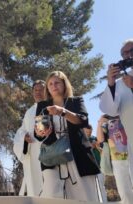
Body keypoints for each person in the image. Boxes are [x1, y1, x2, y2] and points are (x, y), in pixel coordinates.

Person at [34, 71, 100, 202]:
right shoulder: (42, 105)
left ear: (64, 84)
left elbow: (83, 120)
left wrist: (62, 111)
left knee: (85, 195)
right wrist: (39, 133)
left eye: (57, 82)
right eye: (50, 84)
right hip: (52, 156)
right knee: (51, 194)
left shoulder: (75, 101)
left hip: (77, 154)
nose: (54, 86)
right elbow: (39, 133)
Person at [99, 39, 133, 152]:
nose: (128, 55)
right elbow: (111, 111)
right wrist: (111, 82)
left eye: (131, 51)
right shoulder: (121, 83)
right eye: (124, 54)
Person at [13, 80, 45, 196]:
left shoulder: (51, 108)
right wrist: (24, 137)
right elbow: (21, 130)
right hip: (32, 155)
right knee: (34, 187)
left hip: (49, 154)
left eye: (41, 90)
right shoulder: (29, 112)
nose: (38, 92)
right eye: (36, 90)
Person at [97, 114, 133, 204]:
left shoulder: (127, 111)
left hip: (130, 154)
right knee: (124, 191)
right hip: (117, 160)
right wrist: (100, 123)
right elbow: (100, 140)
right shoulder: (106, 118)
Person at [83, 124, 107, 202]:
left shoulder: (95, 138)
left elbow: (103, 151)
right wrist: (90, 146)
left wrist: (97, 146)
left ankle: (104, 202)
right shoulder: (81, 140)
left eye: (90, 132)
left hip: (99, 166)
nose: (88, 134)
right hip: (88, 167)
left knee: (101, 185)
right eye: (87, 132)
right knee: (90, 187)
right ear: (83, 131)